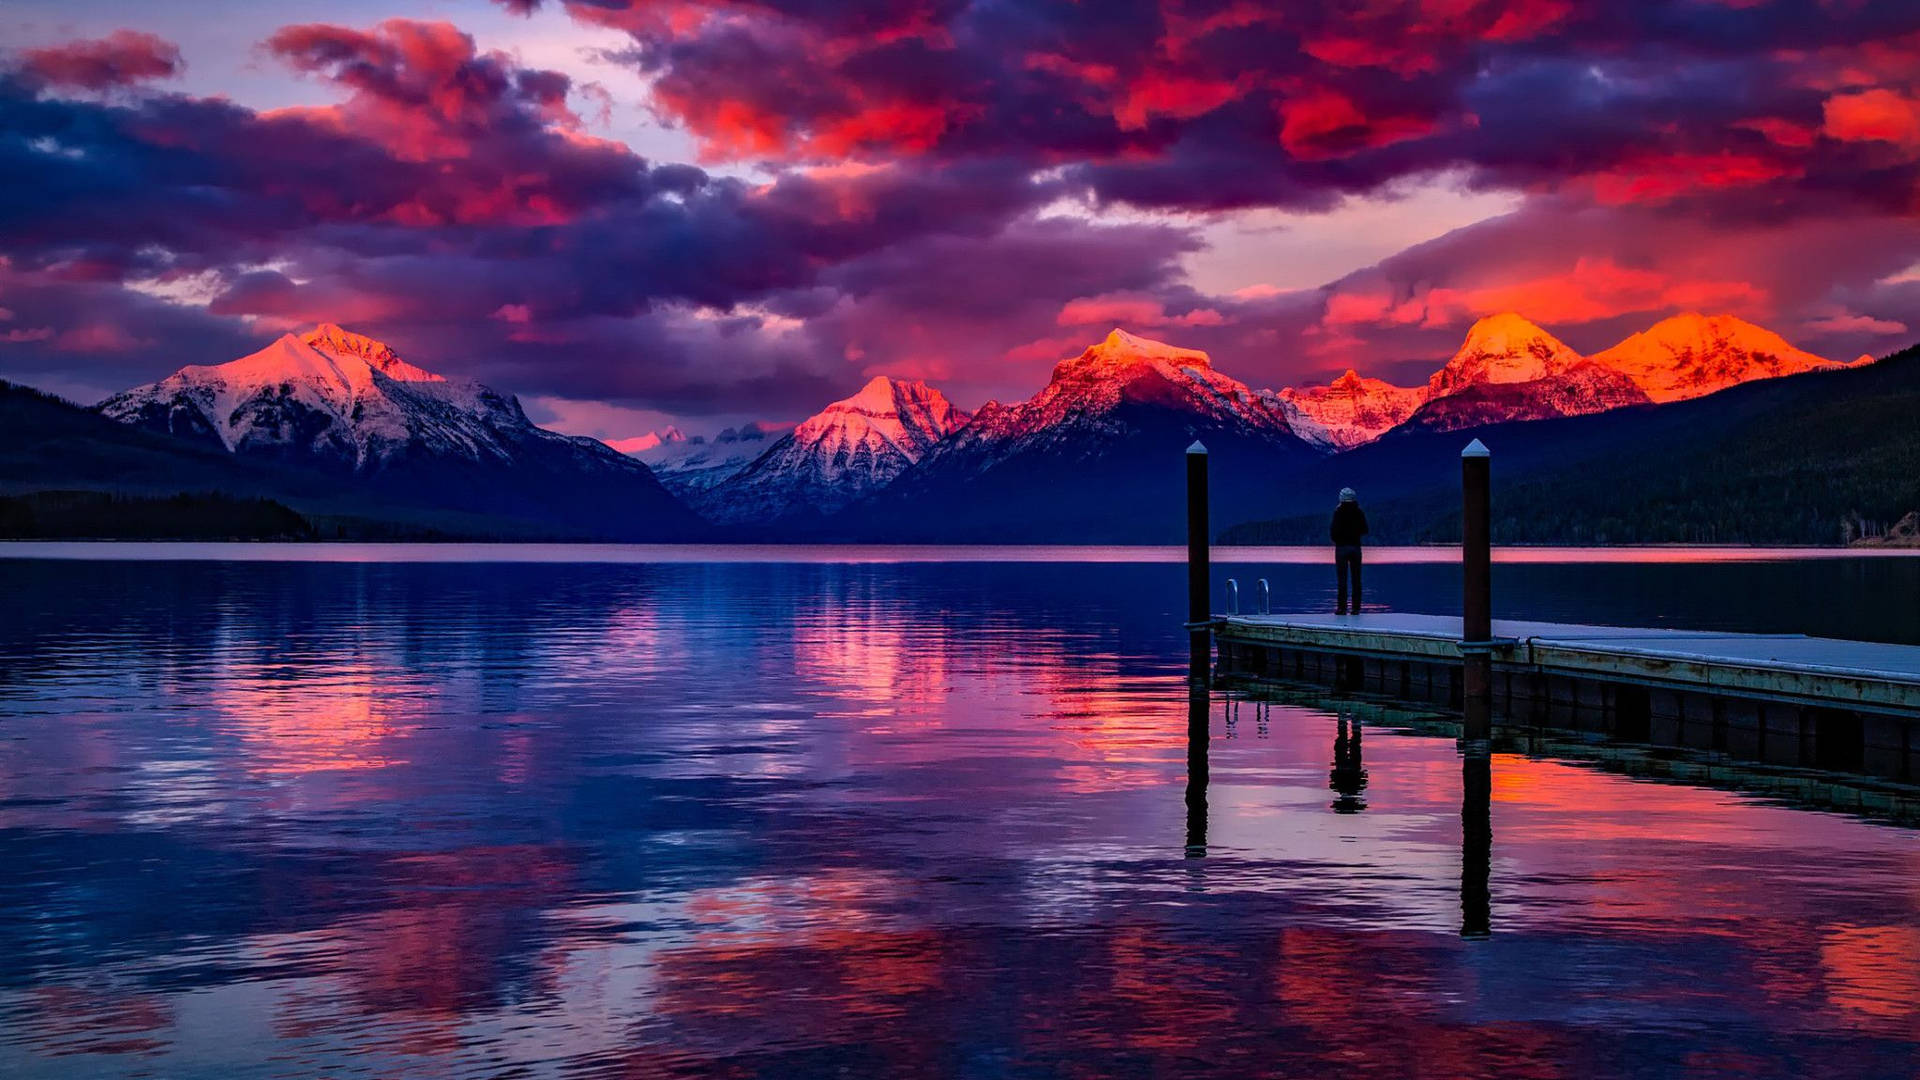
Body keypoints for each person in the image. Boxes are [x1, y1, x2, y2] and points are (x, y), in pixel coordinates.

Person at [1330, 487, 1368, 614]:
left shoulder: (1338, 512)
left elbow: (1333, 532)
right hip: (1355, 547)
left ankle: (1342, 608)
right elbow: (1365, 529)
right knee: (1356, 579)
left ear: (1341, 498)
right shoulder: (1359, 512)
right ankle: (1356, 608)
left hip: (1341, 548)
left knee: (1342, 579)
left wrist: (1339, 539)